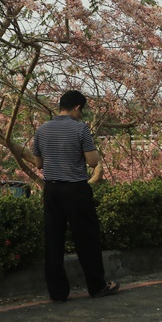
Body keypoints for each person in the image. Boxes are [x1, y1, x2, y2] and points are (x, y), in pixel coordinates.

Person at [31, 90, 119, 301]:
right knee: (87, 238)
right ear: (77, 107)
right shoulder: (80, 129)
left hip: (52, 190)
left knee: (53, 240)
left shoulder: (41, 130)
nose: (82, 115)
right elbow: (93, 162)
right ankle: (97, 286)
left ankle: (58, 292)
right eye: (82, 111)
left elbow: (38, 163)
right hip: (75, 190)